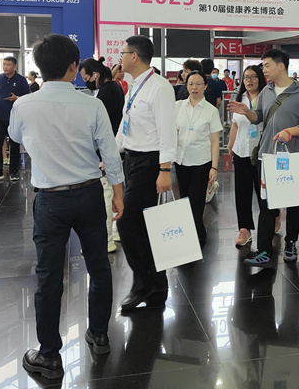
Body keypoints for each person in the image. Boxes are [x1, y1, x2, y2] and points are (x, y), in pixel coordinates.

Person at [9, 34, 125, 379]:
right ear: (74, 67)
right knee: (99, 266)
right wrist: (118, 194)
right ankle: (99, 335)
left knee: (48, 276)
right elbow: (110, 153)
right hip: (89, 195)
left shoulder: (24, 105)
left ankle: (49, 356)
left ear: (39, 67)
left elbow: (15, 137)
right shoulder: (92, 104)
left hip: (49, 199)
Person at [228, 48, 299, 267]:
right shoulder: (267, 91)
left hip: (290, 156)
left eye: (267, 65)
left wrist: (290, 132)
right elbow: (259, 117)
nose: (264, 70)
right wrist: (246, 111)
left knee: (292, 202)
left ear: (281, 66)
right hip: (266, 155)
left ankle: (291, 243)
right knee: (266, 204)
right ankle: (264, 250)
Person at [115, 35, 177, 311]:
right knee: (141, 226)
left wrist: (165, 170)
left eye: (123, 52)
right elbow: (125, 126)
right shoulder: (133, 87)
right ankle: (157, 284)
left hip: (150, 163)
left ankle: (143, 283)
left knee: (127, 222)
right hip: (131, 160)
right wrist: (111, 155)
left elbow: (167, 132)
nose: (120, 57)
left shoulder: (159, 87)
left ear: (134, 56)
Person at [81, 57, 125, 253]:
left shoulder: (106, 92)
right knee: (112, 193)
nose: (86, 82)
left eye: (86, 78)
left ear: (95, 75)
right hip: (113, 149)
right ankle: (114, 232)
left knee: (107, 195)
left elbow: (102, 127)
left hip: (106, 151)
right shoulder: (114, 87)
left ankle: (106, 239)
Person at [174, 71, 222, 244]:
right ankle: (192, 230)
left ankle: (195, 232)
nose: (194, 87)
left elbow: (215, 141)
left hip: (201, 161)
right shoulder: (178, 106)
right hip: (181, 160)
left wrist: (214, 167)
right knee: (184, 198)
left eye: (198, 84)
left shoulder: (211, 111)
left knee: (197, 199)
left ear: (205, 86)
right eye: (191, 84)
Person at [228, 65, 267, 247]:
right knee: (242, 192)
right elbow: (235, 124)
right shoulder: (240, 98)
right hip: (241, 150)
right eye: (246, 77)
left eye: (253, 77)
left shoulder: (266, 97)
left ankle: (272, 217)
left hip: (261, 151)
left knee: (263, 191)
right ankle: (244, 228)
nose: (249, 80)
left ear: (260, 78)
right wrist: (230, 145)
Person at [0, 56, 31, 184]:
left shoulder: (21, 80)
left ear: (14, 66)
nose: (5, 67)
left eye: (8, 64)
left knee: (14, 144)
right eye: (4, 64)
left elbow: (28, 97)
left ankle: (13, 171)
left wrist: (16, 98)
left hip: (15, 118)